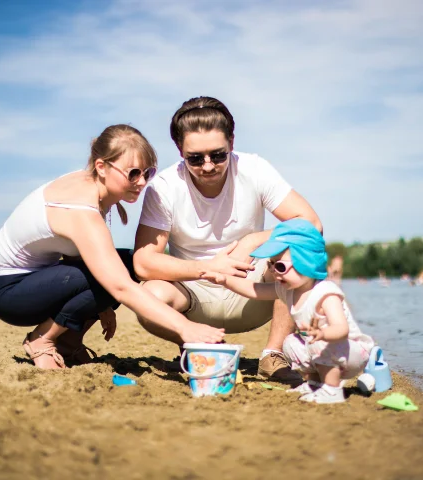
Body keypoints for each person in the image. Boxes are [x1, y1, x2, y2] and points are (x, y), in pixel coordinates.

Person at [0, 124, 225, 370]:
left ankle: (67, 342)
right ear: (101, 167)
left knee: (129, 263)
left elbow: (80, 259)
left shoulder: (92, 185)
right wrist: (186, 328)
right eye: (132, 173)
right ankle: (42, 340)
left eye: (147, 173)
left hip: (38, 279)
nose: (141, 182)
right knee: (120, 272)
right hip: (10, 294)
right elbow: (121, 287)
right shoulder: (80, 209)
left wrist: (101, 304)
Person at [133, 96, 322, 381]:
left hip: (254, 290)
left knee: (298, 249)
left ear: (232, 143)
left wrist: (251, 242)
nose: (208, 166)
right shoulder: (164, 187)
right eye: (195, 158)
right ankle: (195, 344)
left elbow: (312, 224)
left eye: (218, 155)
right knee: (148, 296)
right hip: (193, 294)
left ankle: (273, 355)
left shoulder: (254, 169)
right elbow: (143, 263)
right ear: (179, 149)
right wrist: (209, 268)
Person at [202, 219, 375, 404]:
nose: (275, 272)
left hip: (350, 353)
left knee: (319, 342)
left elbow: (342, 329)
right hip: (323, 350)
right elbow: (254, 290)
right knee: (291, 343)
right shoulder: (288, 290)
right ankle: (315, 383)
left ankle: (332, 390)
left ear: (306, 261)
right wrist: (224, 280)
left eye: (280, 266)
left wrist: (322, 333)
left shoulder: (325, 293)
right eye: (271, 265)